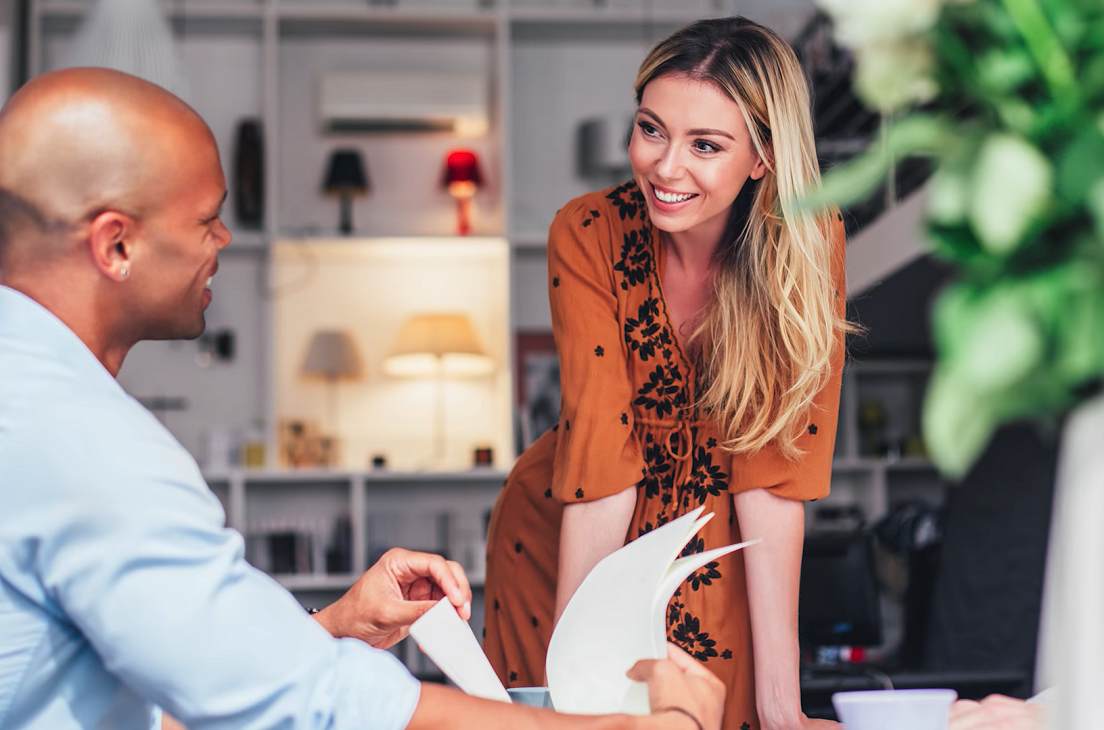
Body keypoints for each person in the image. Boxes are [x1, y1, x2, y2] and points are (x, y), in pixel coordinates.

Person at [0, 67, 722, 730]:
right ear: (115, 246)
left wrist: (337, 623)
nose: (222, 238)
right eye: (205, 220)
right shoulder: (85, 442)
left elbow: (176, 685)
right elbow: (307, 704)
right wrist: (647, 728)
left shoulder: (30, 397)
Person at [485, 17, 851, 730]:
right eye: (650, 129)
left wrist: (784, 706)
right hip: (571, 541)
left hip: (720, 555)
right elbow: (601, 463)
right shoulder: (587, 232)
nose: (663, 166)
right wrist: (576, 690)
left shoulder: (810, 240)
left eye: (704, 145)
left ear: (762, 158)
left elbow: (775, 474)